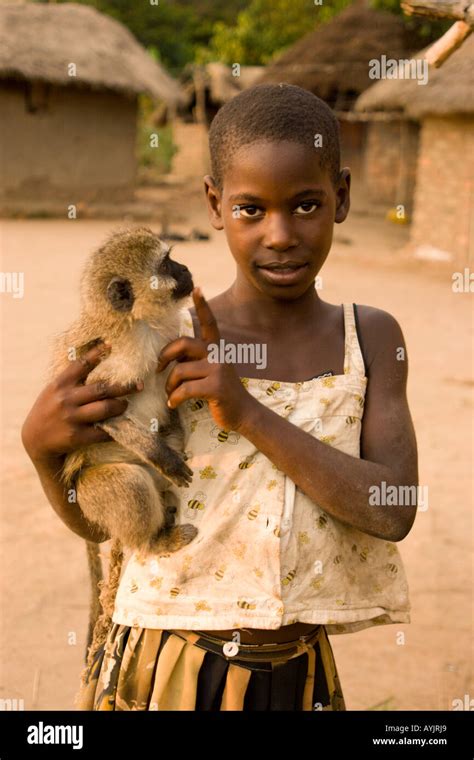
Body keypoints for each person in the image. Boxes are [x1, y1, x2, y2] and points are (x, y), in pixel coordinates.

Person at [21, 83, 418, 711]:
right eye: (251, 209)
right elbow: (110, 521)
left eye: (307, 205)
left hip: (299, 673)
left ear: (342, 196)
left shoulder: (369, 338)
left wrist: (251, 415)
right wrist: (42, 454)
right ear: (214, 203)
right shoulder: (161, 346)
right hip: (166, 666)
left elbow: (393, 511)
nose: (281, 234)